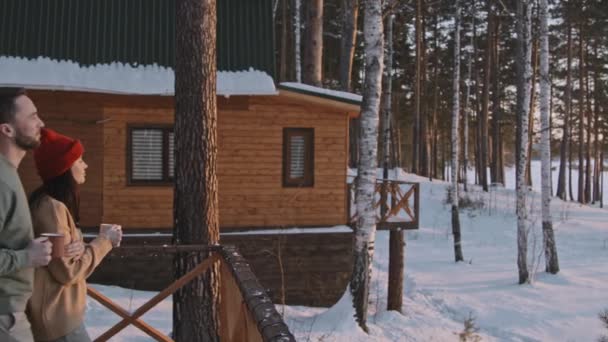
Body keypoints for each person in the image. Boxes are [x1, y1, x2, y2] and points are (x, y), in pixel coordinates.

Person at [27, 128, 122, 342]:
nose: (85, 165)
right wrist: (104, 241)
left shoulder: (48, 204)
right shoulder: (51, 208)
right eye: (79, 160)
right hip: (57, 322)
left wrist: (81, 245)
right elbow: (68, 272)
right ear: (65, 168)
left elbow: (62, 259)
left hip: (59, 318)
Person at [0, 87, 52, 342]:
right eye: (32, 116)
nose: (40, 122)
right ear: (7, 129)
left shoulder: (9, 173)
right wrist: (27, 256)